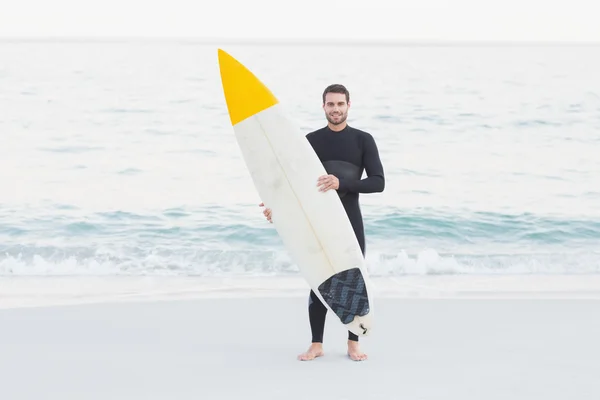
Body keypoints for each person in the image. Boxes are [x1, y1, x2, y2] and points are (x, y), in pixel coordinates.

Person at [259, 84, 385, 361]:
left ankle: (353, 343)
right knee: (319, 280)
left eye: (340, 104)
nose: (335, 109)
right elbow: (293, 184)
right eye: (330, 104)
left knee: (354, 280)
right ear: (323, 106)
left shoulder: (363, 140)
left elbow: (378, 182)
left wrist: (343, 183)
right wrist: (275, 209)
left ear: (349, 106)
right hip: (316, 222)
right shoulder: (310, 141)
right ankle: (316, 344)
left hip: (349, 222)